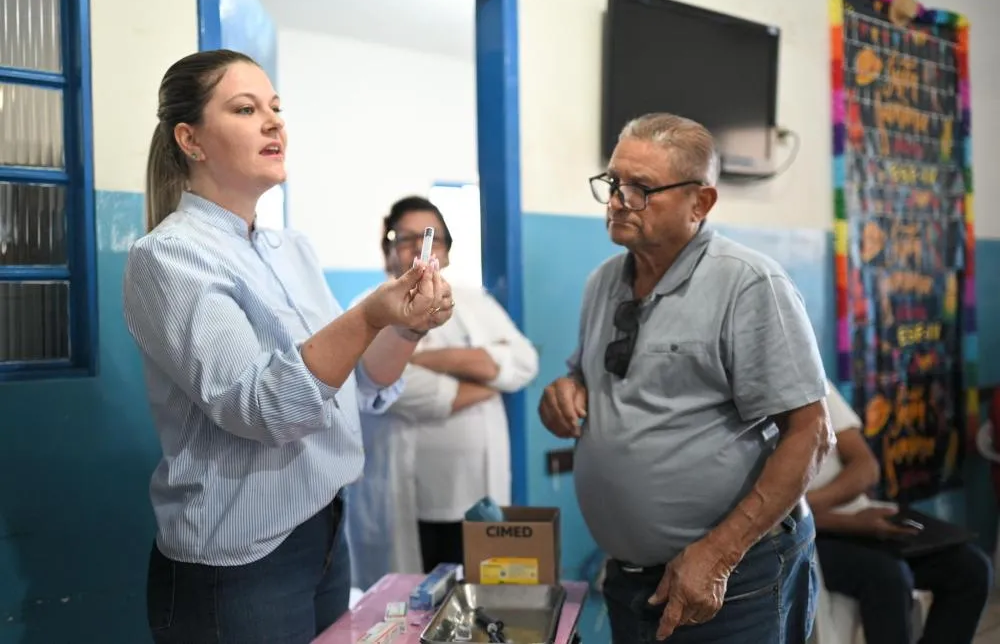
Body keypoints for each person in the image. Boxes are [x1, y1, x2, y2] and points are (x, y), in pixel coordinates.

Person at [122, 50, 454, 644]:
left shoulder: (291, 249)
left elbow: (360, 386)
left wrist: (404, 325)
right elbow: (263, 409)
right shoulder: (170, 257)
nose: (275, 123)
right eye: (246, 109)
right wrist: (366, 316)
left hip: (325, 532)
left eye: (276, 108)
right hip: (240, 561)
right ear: (190, 139)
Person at [538, 113, 835, 643]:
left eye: (642, 188)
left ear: (701, 203)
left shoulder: (747, 284)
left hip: (733, 579)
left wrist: (718, 554)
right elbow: (584, 380)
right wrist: (564, 394)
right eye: (613, 182)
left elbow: (811, 433)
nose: (617, 199)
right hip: (631, 578)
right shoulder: (601, 283)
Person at [345, 196, 538, 589]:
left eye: (432, 236)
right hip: (405, 498)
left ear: (446, 248)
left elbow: (523, 363)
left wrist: (425, 359)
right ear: (389, 249)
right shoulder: (367, 308)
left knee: (478, 604)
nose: (421, 246)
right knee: (409, 608)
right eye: (407, 237)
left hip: (473, 495)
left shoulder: (474, 302)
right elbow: (398, 391)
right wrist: (486, 379)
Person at [810, 380, 992, 643]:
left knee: (971, 570)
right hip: (812, 538)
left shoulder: (813, 380)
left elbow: (866, 467)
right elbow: (775, 517)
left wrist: (810, 504)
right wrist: (845, 521)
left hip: (862, 517)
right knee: (889, 577)